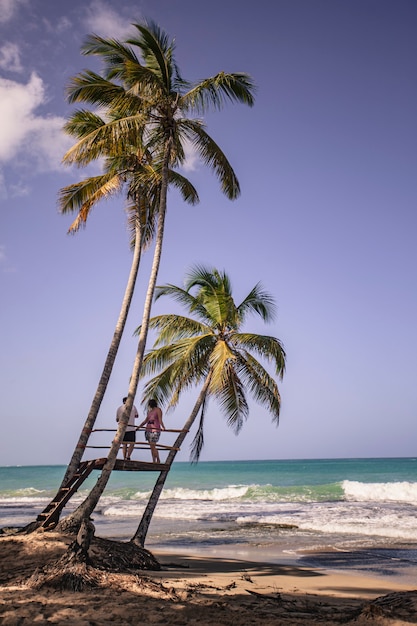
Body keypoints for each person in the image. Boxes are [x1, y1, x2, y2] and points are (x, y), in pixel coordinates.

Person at [138, 399, 166, 463]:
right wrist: (139, 427)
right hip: (148, 429)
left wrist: (163, 427)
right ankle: (153, 460)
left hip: (155, 429)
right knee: (151, 446)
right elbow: (145, 421)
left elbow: (160, 419)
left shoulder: (158, 410)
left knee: (153, 446)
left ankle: (158, 459)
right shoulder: (149, 412)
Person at [116, 396, 138, 461]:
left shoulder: (119, 408)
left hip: (122, 429)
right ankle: (128, 456)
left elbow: (117, 419)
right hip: (131, 428)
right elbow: (136, 416)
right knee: (132, 443)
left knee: (124, 444)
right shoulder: (133, 407)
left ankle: (124, 457)